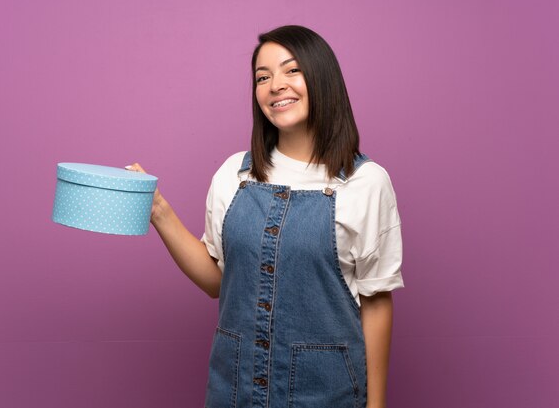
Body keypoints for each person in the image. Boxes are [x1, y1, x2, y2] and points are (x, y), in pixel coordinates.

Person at [127, 25, 403, 408]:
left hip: (327, 394)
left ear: (322, 78)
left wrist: (377, 406)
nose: (275, 85)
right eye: (263, 77)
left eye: (292, 70)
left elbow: (376, 301)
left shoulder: (366, 182)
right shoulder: (233, 175)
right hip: (233, 390)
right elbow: (216, 281)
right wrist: (158, 211)